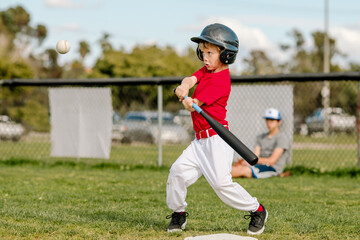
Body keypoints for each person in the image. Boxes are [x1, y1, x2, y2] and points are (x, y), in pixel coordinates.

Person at [166, 23, 268, 235]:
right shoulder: (206, 70)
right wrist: (184, 87)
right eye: (203, 52)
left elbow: (195, 103)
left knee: (221, 185)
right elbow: (190, 79)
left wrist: (187, 99)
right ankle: (179, 213)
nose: (205, 57)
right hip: (199, 142)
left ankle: (257, 210)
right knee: (177, 172)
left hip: (217, 140)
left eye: (210, 53)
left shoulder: (222, 81)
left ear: (226, 55)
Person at [231, 108, 290, 179]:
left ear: (279, 122)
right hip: (258, 164)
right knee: (239, 167)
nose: (269, 123)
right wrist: (248, 161)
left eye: (272, 120)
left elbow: (272, 161)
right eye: (267, 120)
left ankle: (221, 175)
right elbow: (256, 156)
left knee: (245, 170)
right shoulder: (261, 137)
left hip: (272, 168)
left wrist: (252, 162)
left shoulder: (282, 138)